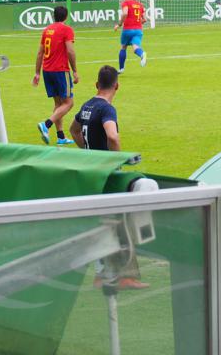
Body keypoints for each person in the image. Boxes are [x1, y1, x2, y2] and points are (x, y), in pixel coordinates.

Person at [70, 65, 149, 291]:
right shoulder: (107, 109)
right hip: (107, 175)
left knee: (101, 223)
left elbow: (73, 130)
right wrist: (117, 160)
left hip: (91, 173)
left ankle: (101, 274)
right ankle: (126, 276)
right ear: (117, 86)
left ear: (97, 84)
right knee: (121, 222)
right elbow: (112, 136)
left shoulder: (87, 105)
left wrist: (89, 153)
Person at [33, 5, 78, 145]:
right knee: (69, 103)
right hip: (60, 70)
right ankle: (46, 124)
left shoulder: (47, 30)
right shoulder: (67, 29)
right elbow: (70, 51)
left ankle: (60, 136)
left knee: (58, 104)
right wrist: (75, 71)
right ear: (66, 16)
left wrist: (37, 73)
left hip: (47, 71)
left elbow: (40, 52)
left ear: (54, 16)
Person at [113, 0, 147, 74]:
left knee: (123, 47)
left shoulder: (126, 3)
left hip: (128, 29)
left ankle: (121, 69)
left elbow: (125, 13)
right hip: (138, 30)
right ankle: (142, 54)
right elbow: (145, 19)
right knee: (135, 47)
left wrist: (119, 24)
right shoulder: (140, 4)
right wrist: (137, 22)